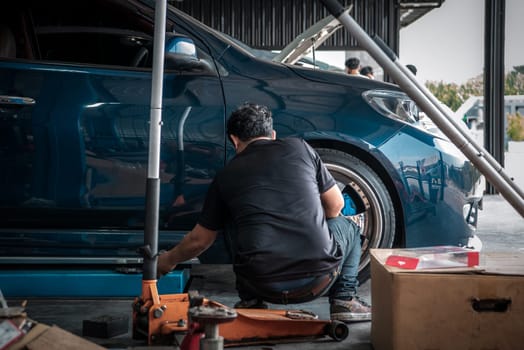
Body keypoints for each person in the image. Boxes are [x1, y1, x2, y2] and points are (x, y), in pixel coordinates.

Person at [157, 102, 371, 322]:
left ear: (234, 140)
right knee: (350, 228)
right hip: (318, 281)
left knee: (234, 220)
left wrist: (167, 261)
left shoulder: (226, 174)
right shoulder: (300, 148)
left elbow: (199, 241)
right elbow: (335, 206)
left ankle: (250, 301)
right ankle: (344, 300)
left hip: (260, 284)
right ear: (273, 134)